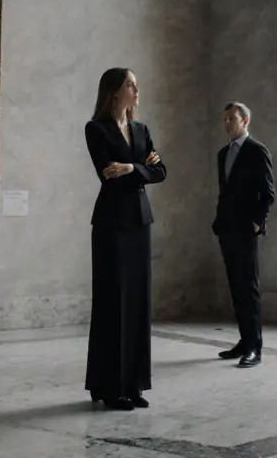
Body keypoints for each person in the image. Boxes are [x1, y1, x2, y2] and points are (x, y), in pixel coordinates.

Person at [83, 67, 166, 410]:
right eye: (131, 84)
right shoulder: (95, 129)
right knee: (112, 301)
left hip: (139, 222)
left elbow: (161, 172)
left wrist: (131, 168)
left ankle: (133, 385)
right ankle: (109, 386)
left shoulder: (142, 130)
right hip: (111, 225)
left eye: (136, 84)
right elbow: (108, 176)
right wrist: (139, 169)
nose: (137, 89)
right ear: (115, 91)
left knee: (137, 302)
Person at [212, 101, 274, 367]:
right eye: (224, 119)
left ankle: (254, 348)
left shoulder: (257, 151)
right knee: (236, 287)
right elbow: (224, 193)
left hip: (247, 230)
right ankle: (243, 340)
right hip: (227, 229)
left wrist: (257, 223)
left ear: (245, 121)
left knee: (249, 288)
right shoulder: (222, 154)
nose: (227, 123)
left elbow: (268, 193)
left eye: (232, 119)